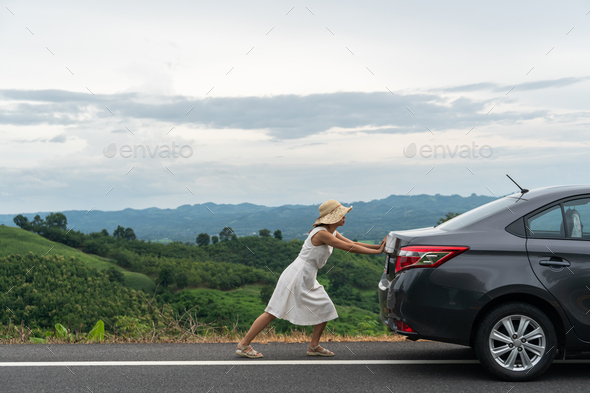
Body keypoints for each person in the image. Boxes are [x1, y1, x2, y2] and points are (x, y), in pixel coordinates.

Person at [235, 199, 386, 358]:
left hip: (308, 275)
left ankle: (313, 346)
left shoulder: (331, 232)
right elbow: (350, 248)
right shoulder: (322, 234)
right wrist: (377, 252)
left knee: (325, 307)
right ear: (332, 217)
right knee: (273, 311)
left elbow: (352, 243)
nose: (345, 217)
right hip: (297, 275)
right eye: (341, 214)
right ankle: (244, 344)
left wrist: (380, 247)